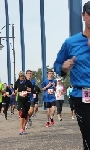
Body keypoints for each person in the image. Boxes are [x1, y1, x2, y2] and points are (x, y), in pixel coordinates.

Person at [54, 1, 90, 148]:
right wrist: (63, 67)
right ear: (83, 15)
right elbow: (57, 65)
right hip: (82, 97)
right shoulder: (71, 43)